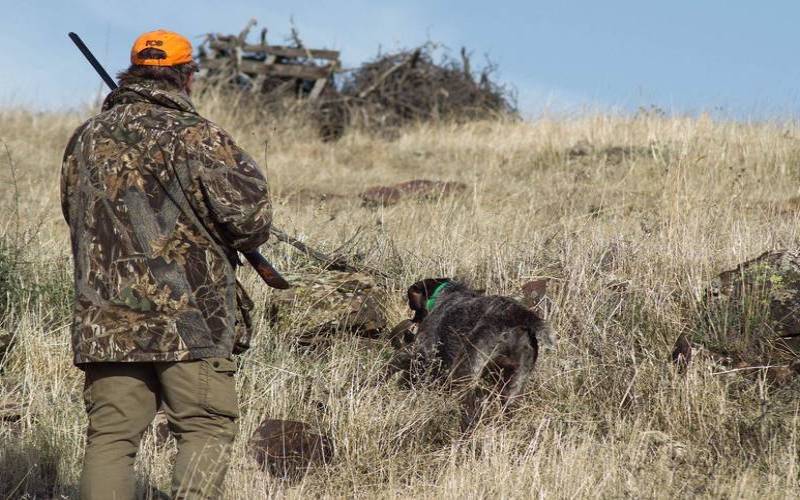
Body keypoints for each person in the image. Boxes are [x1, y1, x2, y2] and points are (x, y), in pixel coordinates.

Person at [60, 29, 272, 499]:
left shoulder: (85, 139)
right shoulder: (199, 136)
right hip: (193, 318)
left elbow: (73, 212)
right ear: (187, 77)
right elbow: (251, 219)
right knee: (204, 427)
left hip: (106, 316)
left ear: (131, 74)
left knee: (111, 439)